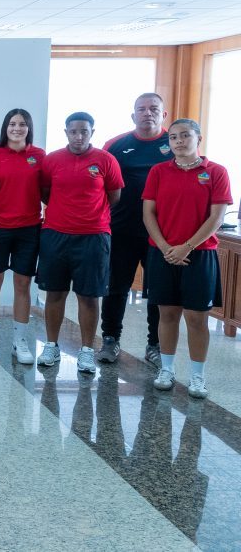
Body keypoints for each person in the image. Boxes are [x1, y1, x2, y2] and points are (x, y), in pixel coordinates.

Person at [143, 119, 232, 399]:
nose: (178, 141)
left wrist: (187, 247)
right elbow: (149, 214)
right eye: (173, 137)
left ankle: (197, 376)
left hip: (200, 255)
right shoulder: (158, 171)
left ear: (198, 138)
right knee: (167, 314)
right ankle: (166, 370)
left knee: (196, 319)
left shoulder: (216, 172)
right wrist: (166, 247)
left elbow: (217, 217)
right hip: (163, 254)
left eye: (185, 135)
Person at [36, 112, 124, 373]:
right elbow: (45, 193)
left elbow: (114, 195)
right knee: (55, 293)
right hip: (55, 234)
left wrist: (88, 215)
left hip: (94, 236)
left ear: (91, 133)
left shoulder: (106, 160)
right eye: (73, 131)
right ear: (66, 132)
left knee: (89, 296)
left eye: (84, 131)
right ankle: (51, 346)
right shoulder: (52, 160)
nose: (78, 136)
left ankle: (86, 350)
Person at [99, 92, 172, 366]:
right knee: (116, 287)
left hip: (162, 234)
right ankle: (110, 339)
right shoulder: (116, 144)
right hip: (121, 229)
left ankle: (154, 344)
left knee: (157, 290)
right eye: (141, 109)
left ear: (163, 114)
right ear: (133, 115)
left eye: (154, 108)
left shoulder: (174, 142)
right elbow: (100, 183)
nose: (147, 113)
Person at [0, 108, 46, 366]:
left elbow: (48, 192)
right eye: (12, 124)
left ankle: (20, 342)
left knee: (22, 285)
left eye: (22, 124)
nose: (17, 128)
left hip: (29, 229)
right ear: (5, 128)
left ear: (29, 127)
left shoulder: (39, 156)